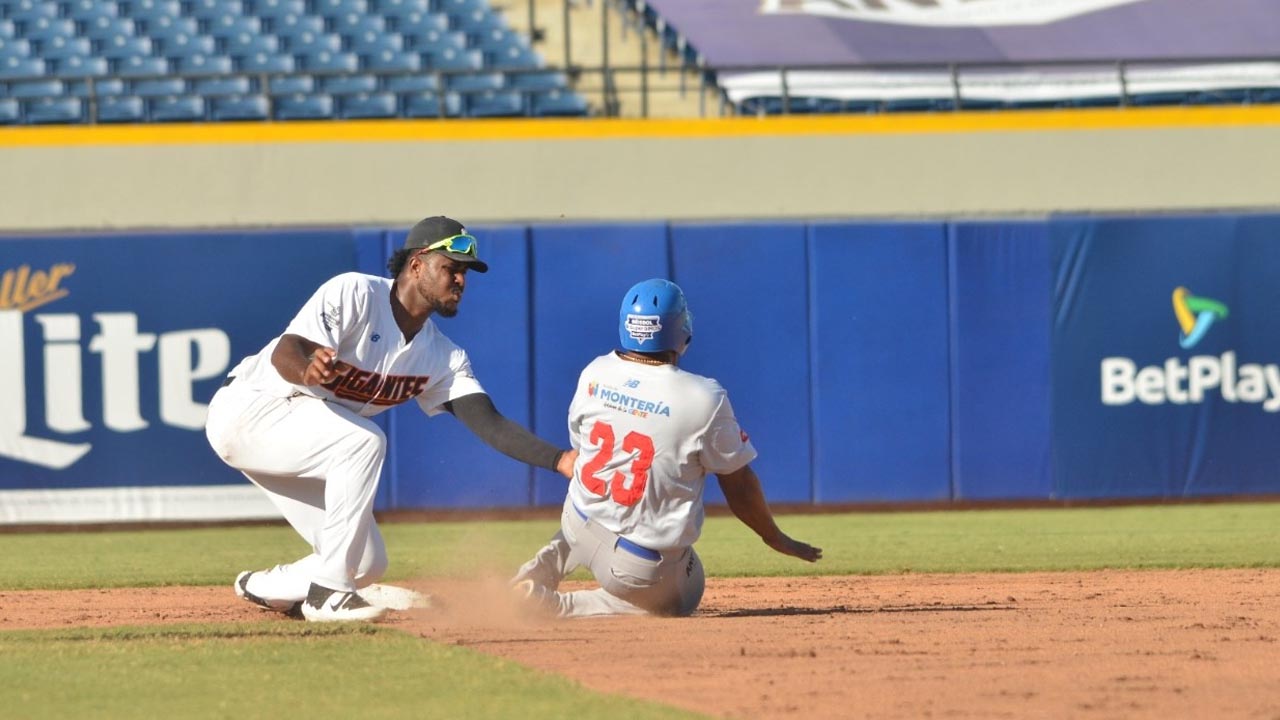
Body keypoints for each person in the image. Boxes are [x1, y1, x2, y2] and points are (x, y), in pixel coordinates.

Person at [205, 216, 576, 622]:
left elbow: (487, 421)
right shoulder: (356, 293)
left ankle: (263, 586)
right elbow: (287, 350)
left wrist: (559, 460)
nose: (460, 281)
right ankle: (327, 594)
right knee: (364, 442)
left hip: (303, 441)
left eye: (465, 272)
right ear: (417, 265)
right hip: (253, 409)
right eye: (450, 268)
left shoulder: (443, 356)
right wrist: (307, 368)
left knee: (364, 562)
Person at [512, 278, 821, 618]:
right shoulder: (704, 398)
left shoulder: (594, 371)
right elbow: (740, 484)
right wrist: (775, 537)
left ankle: (532, 574)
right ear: (682, 328)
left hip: (577, 522)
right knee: (681, 596)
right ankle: (552, 606)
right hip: (637, 566)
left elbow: (581, 448)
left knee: (585, 515)